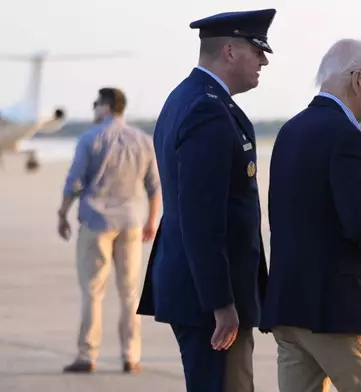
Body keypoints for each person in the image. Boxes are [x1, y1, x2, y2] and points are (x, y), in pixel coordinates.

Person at [136, 9, 276, 392]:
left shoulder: (187, 98)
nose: (264, 60)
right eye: (257, 49)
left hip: (200, 291)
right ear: (229, 51)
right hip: (210, 302)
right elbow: (202, 216)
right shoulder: (208, 110)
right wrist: (221, 303)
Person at [259, 38, 361, 392]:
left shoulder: (290, 131)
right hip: (333, 310)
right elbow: (356, 217)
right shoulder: (345, 135)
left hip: (288, 307)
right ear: (357, 79)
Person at [58, 87, 161, 374]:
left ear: (105, 106)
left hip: (96, 222)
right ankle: (131, 355)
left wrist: (62, 212)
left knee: (93, 291)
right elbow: (154, 186)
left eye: (95, 104)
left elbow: (74, 181)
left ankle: (87, 354)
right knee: (130, 293)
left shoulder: (89, 138)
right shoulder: (141, 140)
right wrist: (152, 220)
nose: (93, 110)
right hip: (130, 221)